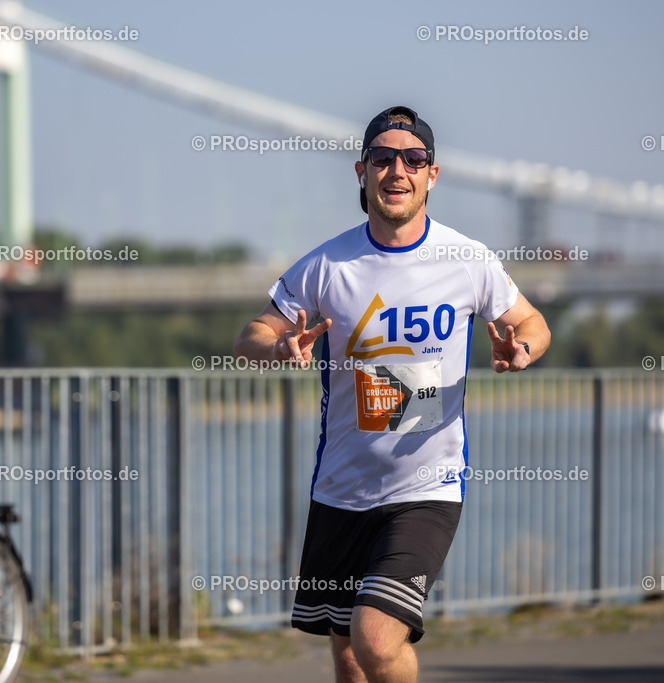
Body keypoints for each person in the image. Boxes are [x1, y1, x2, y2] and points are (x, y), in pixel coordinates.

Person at [234, 106, 550, 683]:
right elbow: (251, 334)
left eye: (413, 159)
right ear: (362, 172)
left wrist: (521, 349)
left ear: (433, 174)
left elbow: (532, 322)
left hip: (426, 489)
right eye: (382, 159)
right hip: (341, 489)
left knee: (376, 640)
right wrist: (279, 347)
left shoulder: (467, 259)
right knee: (349, 657)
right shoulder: (327, 266)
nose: (396, 170)